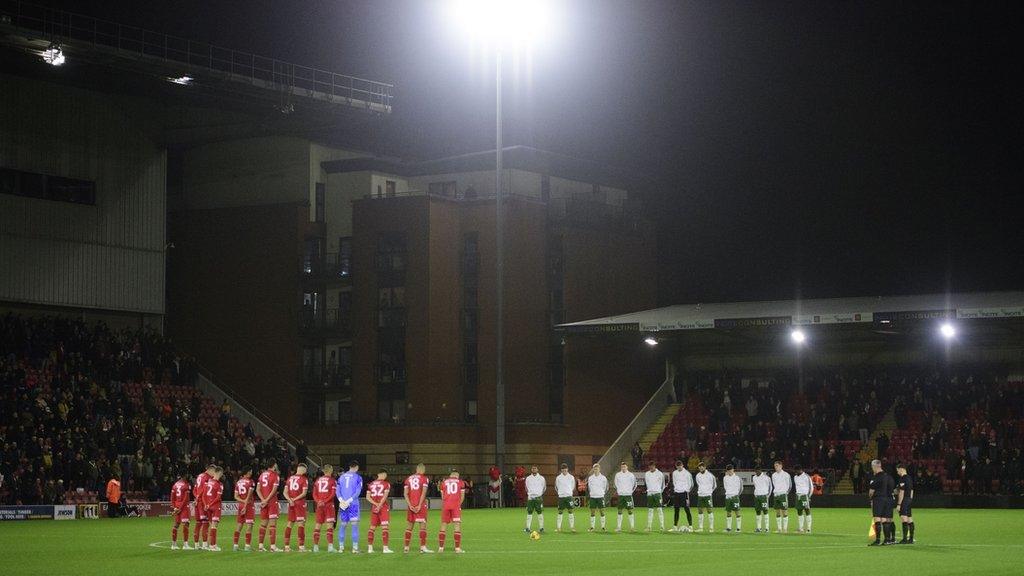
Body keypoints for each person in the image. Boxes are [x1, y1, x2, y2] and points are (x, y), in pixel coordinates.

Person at [403, 463, 432, 553]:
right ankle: (423, 547)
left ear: (416, 469)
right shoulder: (424, 479)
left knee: (409, 526)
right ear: (422, 470)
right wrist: (419, 504)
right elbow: (423, 493)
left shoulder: (408, 479)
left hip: (411, 504)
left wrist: (410, 504)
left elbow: (405, 493)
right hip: (420, 504)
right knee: (422, 526)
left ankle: (406, 547)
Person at [337, 460, 364, 553]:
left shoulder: (341, 477)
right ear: (356, 467)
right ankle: (355, 549)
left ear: (349, 467)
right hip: (353, 504)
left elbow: (337, 491)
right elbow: (358, 492)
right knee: (354, 525)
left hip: (343, 504)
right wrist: (349, 501)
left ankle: (341, 548)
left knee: (343, 525)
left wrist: (342, 500)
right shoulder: (358, 477)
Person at [868, 459, 896, 546]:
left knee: (877, 519)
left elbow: (871, 491)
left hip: (879, 499)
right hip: (889, 500)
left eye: (872, 467)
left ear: (875, 466)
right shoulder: (889, 477)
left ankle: (878, 540)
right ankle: (887, 540)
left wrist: (871, 498)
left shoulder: (876, 477)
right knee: (885, 520)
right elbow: (894, 490)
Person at [366, 469, 394, 554]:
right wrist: (379, 505)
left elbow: (367, 497)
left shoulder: (371, 484)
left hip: (374, 507)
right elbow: (385, 496)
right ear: (382, 474)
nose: (386, 476)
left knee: (372, 527)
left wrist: (375, 504)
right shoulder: (386, 484)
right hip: (383, 507)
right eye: (385, 475)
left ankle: (370, 548)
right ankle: (385, 548)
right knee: (385, 527)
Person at [438, 469, 466, 553]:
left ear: (451, 475)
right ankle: (457, 548)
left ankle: (441, 548)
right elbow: (462, 496)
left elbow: (442, 497)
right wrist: (458, 504)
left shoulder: (444, 482)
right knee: (456, 525)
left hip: (446, 505)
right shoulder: (461, 482)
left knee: (443, 525)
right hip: (455, 506)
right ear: (457, 475)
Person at [283, 463, 309, 552]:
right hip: (299, 504)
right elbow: (304, 493)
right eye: (305, 469)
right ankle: (301, 547)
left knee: (290, 524)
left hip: (291, 504)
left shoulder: (290, 478)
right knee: (301, 524)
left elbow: (284, 492)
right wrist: (295, 499)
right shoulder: (304, 479)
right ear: (302, 469)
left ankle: (286, 547)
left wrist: (290, 500)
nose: (306, 471)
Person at [312, 464, 337, 553]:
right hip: (329, 505)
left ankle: (315, 547)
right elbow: (333, 494)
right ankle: (330, 547)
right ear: (330, 470)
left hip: (319, 505)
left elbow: (314, 494)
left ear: (323, 471)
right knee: (329, 526)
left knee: (318, 524)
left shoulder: (317, 480)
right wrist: (325, 501)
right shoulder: (332, 480)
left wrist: (318, 501)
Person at [256, 462, 281, 552]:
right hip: (271, 502)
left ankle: (260, 546)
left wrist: (263, 500)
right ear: (274, 465)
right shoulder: (275, 475)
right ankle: (273, 547)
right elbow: (274, 490)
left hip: (263, 502)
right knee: (272, 525)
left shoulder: (262, 475)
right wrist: (267, 500)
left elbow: (257, 489)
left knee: (263, 524)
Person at [193, 464, 215, 549]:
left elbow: (195, 489)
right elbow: (204, 490)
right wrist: (200, 498)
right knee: (205, 523)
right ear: (210, 470)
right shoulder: (207, 478)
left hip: (198, 502)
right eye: (214, 471)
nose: (214, 474)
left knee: (198, 523)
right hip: (203, 502)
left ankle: (196, 545)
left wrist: (196, 497)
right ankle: (205, 545)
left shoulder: (200, 476)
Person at [232, 468, 255, 551]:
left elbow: (236, 496)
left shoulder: (238, 482)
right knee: (249, 525)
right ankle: (247, 546)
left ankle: (235, 545)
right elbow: (249, 495)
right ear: (248, 472)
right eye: (251, 471)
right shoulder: (251, 482)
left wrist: (242, 502)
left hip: (240, 505)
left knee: (239, 524)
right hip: (248, 505)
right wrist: (246, 504)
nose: (251, 473)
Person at [203, 466, 225, 551]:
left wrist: (206, 504)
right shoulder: (219, 484)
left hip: (208, 507)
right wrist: (211, 504)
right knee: (214, 526)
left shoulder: (208, 482)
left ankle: (210, 545)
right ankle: (213, 546)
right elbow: (218, 497)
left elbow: (204, 495)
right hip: (215, 507)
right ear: (219, 473)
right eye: (222, 473)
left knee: (211, 526)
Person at [670, 459, 694, 532]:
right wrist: (677, 488)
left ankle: (690, 526)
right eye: (677, 467)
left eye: (680, 466)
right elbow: (674, 482)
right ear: (676, 467)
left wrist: (686, 490)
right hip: (677, 493)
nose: (679, 468)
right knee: (676, 510)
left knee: (687, 509)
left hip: (684, 493)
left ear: (682, 465)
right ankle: (675, 526)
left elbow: (691, 484)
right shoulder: (674, 473)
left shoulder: (687, 473)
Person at [169, 472, 191, 549]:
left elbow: (172, 497)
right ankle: (185, 545)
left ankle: (173, 545)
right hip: (184, 507)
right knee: (186, 524)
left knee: (176, 524)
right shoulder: (186, 485)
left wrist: (174, 507)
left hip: (177, 506)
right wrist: (180, 508)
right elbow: (186, 499)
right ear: (184, 475)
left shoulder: (175, 485)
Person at [614, 461, 637, 532]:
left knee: (630, 510)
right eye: (622, 466)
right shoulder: (617, 475)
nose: (623, 468)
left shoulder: (631, 475)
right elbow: (615, 484)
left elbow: (635, 484)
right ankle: (618, 527)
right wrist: (619, 491)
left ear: (627, 467)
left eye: (624, 466)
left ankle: (632, 527)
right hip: (621, 495)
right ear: (621, 467)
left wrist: (630, 492)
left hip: (628, 495)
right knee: (619, 510)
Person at [643, 461, 667, 532]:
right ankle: (649, 526)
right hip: (650, 494)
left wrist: (659, 491)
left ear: (654, 466)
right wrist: (649, 490)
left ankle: (662, 526)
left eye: (652, 466)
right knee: (650, 510)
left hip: (657, 493)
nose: (651, 468)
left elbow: (663, 485)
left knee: (659, 509)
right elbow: (646, 483)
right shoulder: (647, 474)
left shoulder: (660, 474)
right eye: (649, 467)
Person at [694, 462, 717, 532]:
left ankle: (711, 527)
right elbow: (698, 484)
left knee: (709, 510)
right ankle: (700, 528)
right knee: (700, 511)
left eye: (702, 467)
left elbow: (714, 485)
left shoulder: (710, 475)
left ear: (705, 467)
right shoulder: (697, 475)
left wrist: (709, 492)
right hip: (700, 495)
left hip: (707, 495)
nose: (701, 468)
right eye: (699, 467)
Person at [896, 463, 915, 544]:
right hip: (909, 499)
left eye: (897, 470)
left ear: (901, 469)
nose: (897, 472)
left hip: (904, 500)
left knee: (904, 517)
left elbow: (902, 492)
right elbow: (911, 490)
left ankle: (904, 539)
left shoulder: (903, 478)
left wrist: (899, 504)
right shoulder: (909, 478)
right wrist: (910, 499)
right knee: (909, 518)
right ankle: (911, 539)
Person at [771, 461, 792, 533]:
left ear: (781, 466)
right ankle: (779, 529)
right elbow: (774, 484)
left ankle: (785, 529)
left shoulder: (786, 475)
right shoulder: (773, 475)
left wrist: (785, 493)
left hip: (783, 495)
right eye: (775, 466)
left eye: (777, 466)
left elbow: (789, 486)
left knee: (785, 512)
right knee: (777, 512)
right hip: (776, 495)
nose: (775, 467)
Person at [586, 463, 609, 532]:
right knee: (592, 512)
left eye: (597, 468)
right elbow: (589, 487)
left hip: (600, 497)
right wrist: (592, 493)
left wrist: (601, 493)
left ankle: (603, 527)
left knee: (602, 512)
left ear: (599, 469)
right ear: (593, 469)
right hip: (593, 497)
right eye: (595, 469)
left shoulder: (603, 478)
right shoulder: (590, 478)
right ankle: (592, 527)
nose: (596, 470)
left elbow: (606, 487)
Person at [555, 463, 576, 533]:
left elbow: (573, 486)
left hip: (569, 497)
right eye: (563, 469)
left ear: (567, 469)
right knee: (560, 511)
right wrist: (561, 492)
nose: (564, 470)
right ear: (561, 470)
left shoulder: (571, 477)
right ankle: (558, 527)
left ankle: (572, 527)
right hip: (561, 497)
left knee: (570, 511)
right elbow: (557, 487)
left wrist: (568, 492)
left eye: (565, 469)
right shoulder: (558, 478)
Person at [524, 465, 546, 533]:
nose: (534, 469)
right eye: (533, 468)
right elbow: (526, 488)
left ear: (537, 469)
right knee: (529, 512)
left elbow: (544, 488)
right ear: (531, 470)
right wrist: (530, 494)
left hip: (538, 498)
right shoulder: (528, 478)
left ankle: (541, 528)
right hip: (530, 498)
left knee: (539, 512)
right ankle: (528, 528)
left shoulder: (542, 478)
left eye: (535, 468)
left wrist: (539, 494)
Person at [793, 464, 813, 533]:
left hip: (805, 496)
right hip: (798, 496)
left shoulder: (806, 476)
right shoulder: (795, 477)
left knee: (807, 510)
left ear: (800, 470)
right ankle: (801, 528)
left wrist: (808, 496)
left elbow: (811, 487)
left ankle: (808, 528)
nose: (795, 473)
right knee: (799, 511)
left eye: (796, 471)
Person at [722, 464, 742, 533]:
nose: (729, 472)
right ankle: (728, 528)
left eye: (730, 470)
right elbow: (725, 487)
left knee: (737, 512)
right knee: (728, 512)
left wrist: (736, 495)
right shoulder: (725, 478)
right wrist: (728, 493)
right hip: (728, 497)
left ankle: (738, 528)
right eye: (728, 471)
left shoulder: (737, 478)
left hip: (735, 497)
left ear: (733, 470)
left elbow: (740, 488)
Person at [752, 468, 772, 533]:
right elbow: (755, 486)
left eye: (757, 471)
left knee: (765, 511)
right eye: (755, 472)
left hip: (764, 496)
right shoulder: (754, 477)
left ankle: (767, 528)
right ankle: (759, 528)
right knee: (758, 512)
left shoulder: (766, 477)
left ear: (760, 471)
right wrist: (755, 494)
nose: (756, 473)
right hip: (757, 497)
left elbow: (770, 487)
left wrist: (767, 496)